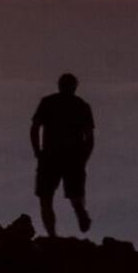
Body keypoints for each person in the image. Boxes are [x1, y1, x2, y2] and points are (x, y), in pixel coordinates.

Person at [31, 74, 95, 237]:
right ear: (75, 87)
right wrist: (83, 159)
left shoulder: (48, 102)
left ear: (59, 85)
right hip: (73, 156)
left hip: (50, 155)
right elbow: (90, 137)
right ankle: (80, 210)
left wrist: (37, 151)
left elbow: (35, 127)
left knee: (45, 197)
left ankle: (52, 235)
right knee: (76, 193)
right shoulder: (82, 106)